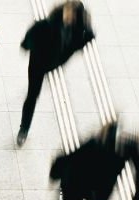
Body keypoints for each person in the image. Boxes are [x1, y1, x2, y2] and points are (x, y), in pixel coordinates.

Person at [17, 0, 94, 146]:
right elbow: (27, 40)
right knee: (33, 95)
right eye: (68, 12)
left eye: (74, 15)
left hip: (55, 62)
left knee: (34, 92)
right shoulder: (44, 25)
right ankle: (24, 129)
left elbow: (85, 39)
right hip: (38, 65)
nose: (70, 17)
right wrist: (28, 45)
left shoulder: (79, 28)